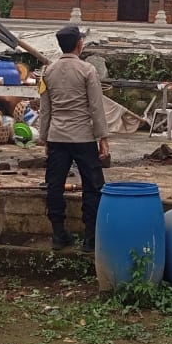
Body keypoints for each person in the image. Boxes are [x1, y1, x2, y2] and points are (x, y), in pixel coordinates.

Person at [39, 25, 109, 252]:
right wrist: (102, 137)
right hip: (83, 137)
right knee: (93, 186)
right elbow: (96, 107)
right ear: (79, 44)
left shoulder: (48, 71)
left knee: (54, 185)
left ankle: (59, 234)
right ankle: (90, 238)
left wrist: (44, 139)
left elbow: (45, 109)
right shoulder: (87, 70)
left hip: (57, 136)